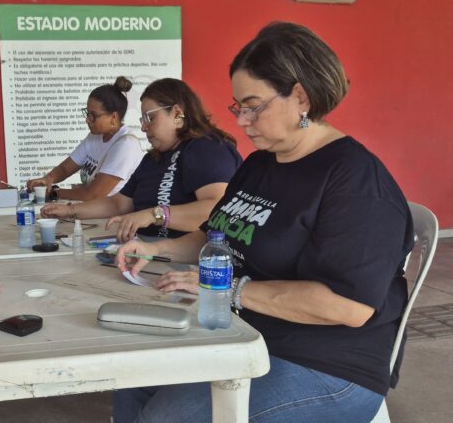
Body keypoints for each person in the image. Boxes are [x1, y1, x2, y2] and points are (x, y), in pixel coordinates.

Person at [112, 22, 415, 423]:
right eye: (238, 107)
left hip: (329, 364)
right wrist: (154, 248)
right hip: (250, 333)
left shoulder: (356, 180)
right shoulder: (260, 164)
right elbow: (218, 236)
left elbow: (348, 306)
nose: (242, 121)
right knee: (131, 377)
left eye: (253, 105)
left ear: (301, 97)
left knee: (166, 418)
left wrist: (231, 291)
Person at [41, 78, 241, 243]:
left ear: (177, 113)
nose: (144, 128)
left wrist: (154, 214)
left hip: (190, 263)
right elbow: (119, 204)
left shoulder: (207, 148)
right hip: (149, 251)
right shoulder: (153, 158)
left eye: (150, 118)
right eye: (142, 120)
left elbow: (216, 210)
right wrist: (69, 210)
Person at [27, 76, 144, 201]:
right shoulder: (95, 136)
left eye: (93, 115)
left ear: (113, 117)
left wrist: (53, 192)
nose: (87, 120)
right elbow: (65, 168)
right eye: (87, 113)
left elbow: (93, 195)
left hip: (114, 217)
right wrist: (47, 180)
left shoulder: (126, 145)